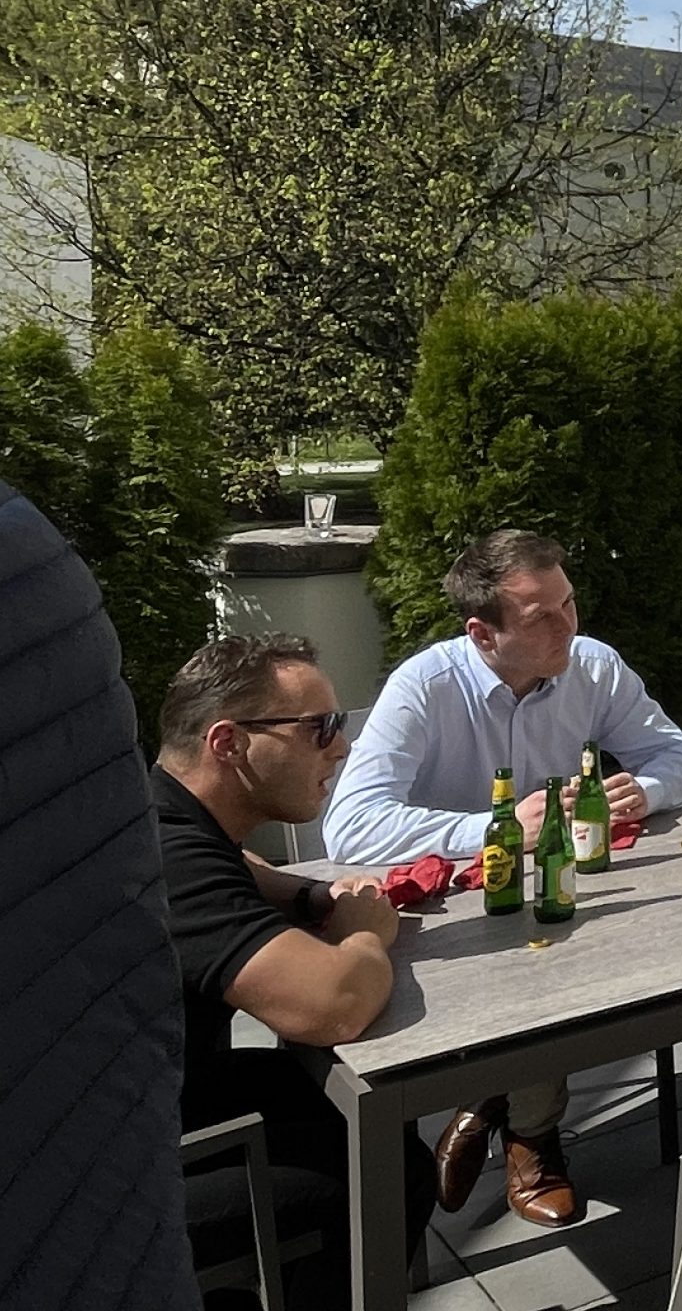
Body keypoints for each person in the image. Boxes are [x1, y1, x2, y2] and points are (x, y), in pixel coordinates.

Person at [322, 529, 682, 1228]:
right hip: (453, 913)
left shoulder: (591, 666)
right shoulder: (427, 684)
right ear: (482, 633)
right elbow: (349, 828)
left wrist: (646, 791)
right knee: (543, 972)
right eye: (544, 617)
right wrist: (496, 827)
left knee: (634, 946)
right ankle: (531, 1133)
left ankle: (493, 1102)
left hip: (563, 901)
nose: (570, 626)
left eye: (569, 603)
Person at [153, 635, 437, 1307]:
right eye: (319, 729)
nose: (339, 748)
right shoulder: (175, 861)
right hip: (118, 1181)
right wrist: (362, 935)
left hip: (162, 1102)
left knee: (340, 1108)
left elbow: (234, 864)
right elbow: (332, 1006)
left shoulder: (155, 810)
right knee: (388, 1171)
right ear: (229, 744)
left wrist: (306, 895)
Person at [0, 480, 199, 1311]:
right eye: (322, 729)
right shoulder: (183, 849)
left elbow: (656, 758)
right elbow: (366, 824)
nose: (337, 747)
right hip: (135, 1166)